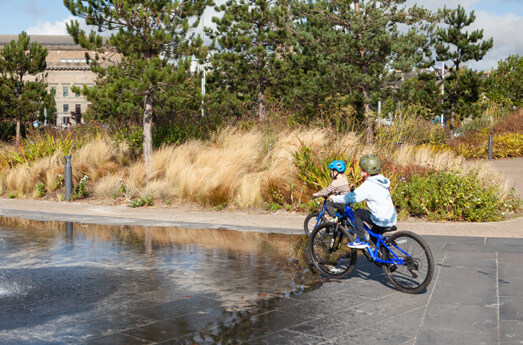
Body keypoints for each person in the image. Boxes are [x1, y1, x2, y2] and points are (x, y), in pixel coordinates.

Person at [329, 154, 397, 249]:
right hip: (390, 218)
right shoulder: (381, 180)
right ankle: (386, 260)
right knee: (374, 237)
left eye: (361, 169)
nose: (360, 171)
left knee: (357, 213)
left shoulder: (368, 185)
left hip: (380, 219)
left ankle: (361, 240)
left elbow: (352, 198)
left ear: (365, 171)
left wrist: (334, 198)